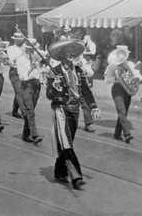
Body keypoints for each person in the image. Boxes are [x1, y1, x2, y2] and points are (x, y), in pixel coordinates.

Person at [46, 39, 101, 190]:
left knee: (67, 142)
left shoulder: (77, 71)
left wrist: (94, 106)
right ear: (62, 55)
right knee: (66, 142)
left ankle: (60, 171)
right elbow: (49, 95)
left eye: (73, 53)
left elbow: (85, 90)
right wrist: (55, 86)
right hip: (61, 109)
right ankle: (76, 176)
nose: (71, 55)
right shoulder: (54, 71)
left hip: (75, 110)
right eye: (68, 52)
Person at [104, 45, 142, 143]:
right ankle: (127, 134)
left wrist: (136, 78)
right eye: (120, 53)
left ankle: (117, 134)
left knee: (123, 113)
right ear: (117, 54)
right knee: (121, 111)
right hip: (117, 89)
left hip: (127, 90)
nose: (122, 56)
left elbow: (137, 75)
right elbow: (107, 79)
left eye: (124, 53)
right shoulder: (112, 65)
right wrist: (117, 78)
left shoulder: (130, 64)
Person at [16, 38, 44, 145]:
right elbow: (22, 76)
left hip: (36, 85)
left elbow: (44, 59)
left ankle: (25, 134)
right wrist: (31, 68)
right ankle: (34, 135)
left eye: (33, 49)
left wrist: (42, 63)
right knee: (30, 111)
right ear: (26, 49)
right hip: (26, 86)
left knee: (29, 112)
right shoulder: (21, 59)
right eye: (30, 49)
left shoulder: (35, 56)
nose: (32, 51)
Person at [7, 33, 27, 118]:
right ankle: (24, 112)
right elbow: (11, 61)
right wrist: (21, 52)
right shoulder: (11, 48)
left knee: (20, 91)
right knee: (19, 91)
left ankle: (14, 111)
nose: (20, 42)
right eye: (18, 40)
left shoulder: (24, 48)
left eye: (21, 40)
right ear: (14, 40)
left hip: (23, 71)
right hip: (15, 71)